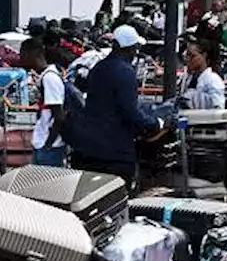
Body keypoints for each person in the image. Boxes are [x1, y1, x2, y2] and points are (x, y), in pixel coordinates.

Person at [66, 25, 163, 183]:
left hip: (88, 148)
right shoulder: (125, 72)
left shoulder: (98, 68)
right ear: (130, 49)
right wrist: (155, 123)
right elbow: (130, 111)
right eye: (134, 48)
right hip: (115, 152)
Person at [19, 37, 67, 167]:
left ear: (33, 54)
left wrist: (48, 145)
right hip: (43, 144)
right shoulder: (45, 76)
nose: (21, 59)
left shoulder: (49, 78)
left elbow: (59, 116)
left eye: (22, 55)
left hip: (49, 148)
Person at [181, 37, 227, 110]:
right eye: (186, 56)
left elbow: (218, 109)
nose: (187, 59)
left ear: (204, 56)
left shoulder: (213, 80)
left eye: (192, 56)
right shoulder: (188, 78)